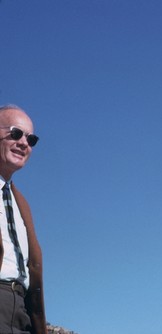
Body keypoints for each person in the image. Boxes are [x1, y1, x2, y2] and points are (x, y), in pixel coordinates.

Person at [0, 104, 47, 334]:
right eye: (16, 133)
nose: (24, 143)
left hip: (22, 313)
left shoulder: (22, 204)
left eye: (31, 139)